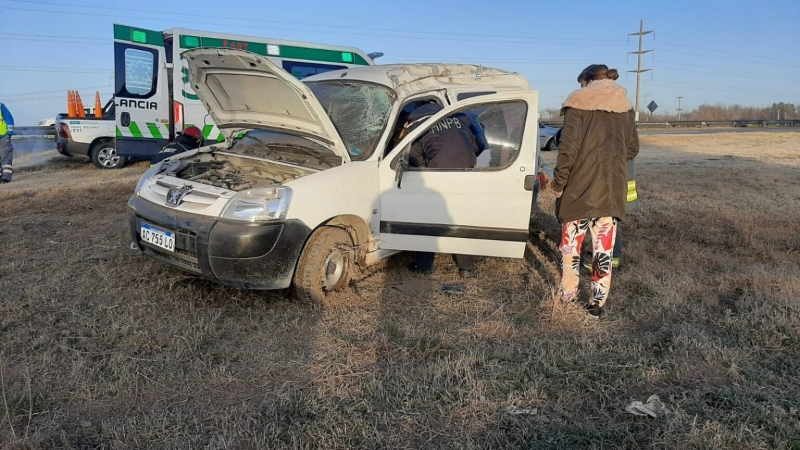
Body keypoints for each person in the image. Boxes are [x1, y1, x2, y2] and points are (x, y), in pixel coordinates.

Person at [551, 64, 639, 318]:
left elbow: (567, 151)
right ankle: (596, 306)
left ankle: (567, 296)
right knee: (604, 252)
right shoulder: (624, 107)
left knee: (571, 248)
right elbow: (632, 149)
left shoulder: (578, 104)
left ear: (587, 82)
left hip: (578, 189)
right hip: (611, 190)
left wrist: (558, 184)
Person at [401, 102, 485, 278]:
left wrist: (426, 179)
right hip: (466, 174)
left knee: (427, 221)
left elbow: (416, 161)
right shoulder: (458, 118)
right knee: (462, 221)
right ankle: (466, 267)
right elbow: (477, 146)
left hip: (438, 175)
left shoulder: (417, 127)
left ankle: (423, 265)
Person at [0, 101, 15, 183]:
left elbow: (9, 119)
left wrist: (9, 133)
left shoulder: (1, 106)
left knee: (6, 157)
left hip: (3, 136)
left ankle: (6, 178)